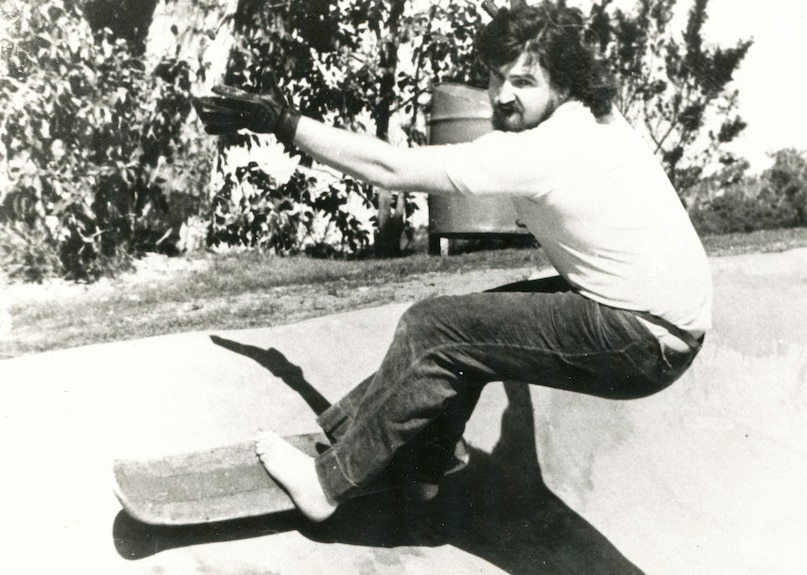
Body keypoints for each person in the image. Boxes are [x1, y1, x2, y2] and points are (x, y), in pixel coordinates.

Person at [194, 2, 712, 523]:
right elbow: (544, 32)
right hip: (662, 325)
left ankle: (326, 487)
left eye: (524, 82)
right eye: (495, 77)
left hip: (639, 338)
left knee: (436, 328)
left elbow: (390, 167)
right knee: (470, 332)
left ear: (561, 83)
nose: (503, 94)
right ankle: (420, 468)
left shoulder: (543, 148)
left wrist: (282, 121)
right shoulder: (598, 115)